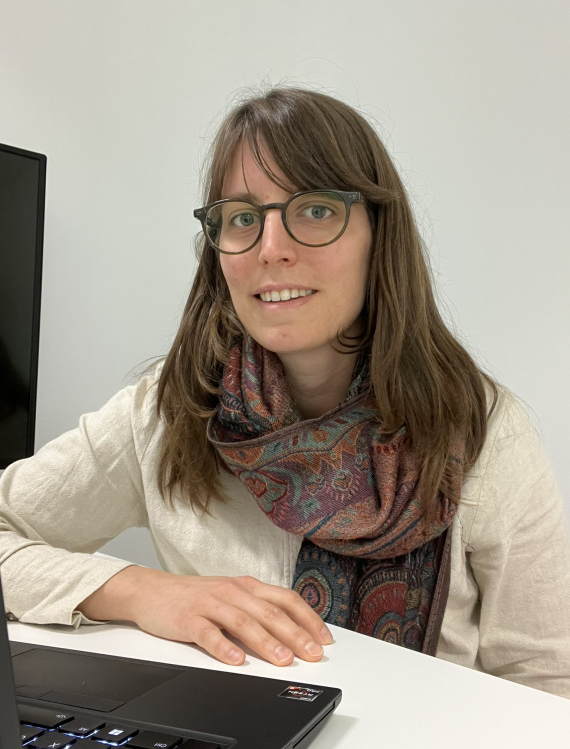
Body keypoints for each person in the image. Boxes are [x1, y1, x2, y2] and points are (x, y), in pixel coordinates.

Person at [1, 88, 569, 699]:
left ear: (380, 234)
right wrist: (139, 590)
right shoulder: (169, 411)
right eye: (244, 218)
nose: (271, 249)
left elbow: (547, 681)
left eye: (316, 209)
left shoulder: (484, 430)